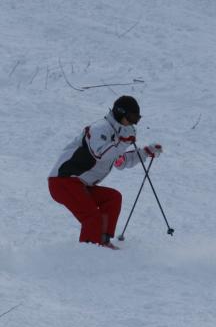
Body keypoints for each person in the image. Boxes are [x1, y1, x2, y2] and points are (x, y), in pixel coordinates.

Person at [48, 96, 163, 249]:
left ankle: (103, 241)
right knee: (92, 217)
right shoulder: (100, 129)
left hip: (80, 184)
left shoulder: (118, 136)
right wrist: (124, 142)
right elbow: (100, 153)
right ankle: (89, 251)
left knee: (112, 198)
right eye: (131, 117)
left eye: (137, 119)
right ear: (120, 113)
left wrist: (146, 152)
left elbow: (121, 162)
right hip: (63, 181)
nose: (133, 123)